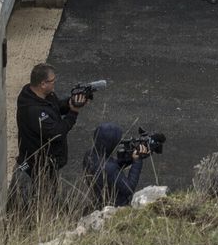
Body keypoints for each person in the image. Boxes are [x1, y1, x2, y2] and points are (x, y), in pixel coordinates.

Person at [14, 63, 87, 206]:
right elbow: (57, 132)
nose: (55, 84)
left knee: (47, 193)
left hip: (44, 162)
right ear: (43, 84)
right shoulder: (34, 111)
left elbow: (56, 107)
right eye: (53, 81)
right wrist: (73, 112)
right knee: (43, 197)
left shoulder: (38, 95)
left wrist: (70, 102)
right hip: (39, 164)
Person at [84, 122, 151, 208]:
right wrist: (137, 161)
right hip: (116, 204)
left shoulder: (90, 154)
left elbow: (109, 166)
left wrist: (128, 159)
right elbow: (129, 189)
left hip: (100, 197)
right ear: (110, 144)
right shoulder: (110, 168)